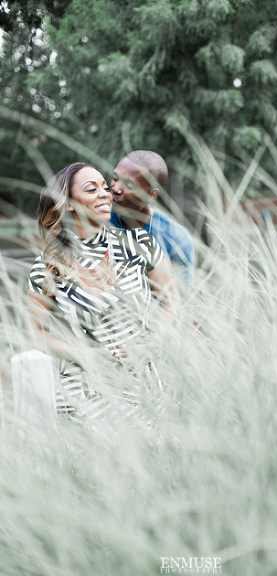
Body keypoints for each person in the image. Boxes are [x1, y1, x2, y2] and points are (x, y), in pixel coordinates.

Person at [27, 163, 179, 419]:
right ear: (69, 203)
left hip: (144, 389)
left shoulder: (140, 244)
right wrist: (87, 355)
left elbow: (171, 303)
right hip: (83, 398)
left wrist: (150, 345)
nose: (105, 194)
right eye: (91, 189)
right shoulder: (48, 265)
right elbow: (35, 332)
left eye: (105, 188)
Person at [109, 150, 195, 285]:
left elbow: (180, 292)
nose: (116, 189)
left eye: (129, 185)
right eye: (115, 178)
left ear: (151, 195)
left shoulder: (176, 237)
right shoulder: (96, 217)